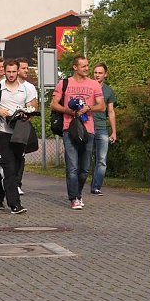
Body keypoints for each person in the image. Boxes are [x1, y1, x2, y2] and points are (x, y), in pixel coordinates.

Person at [0, 59, 37, 214]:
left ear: (18, 71)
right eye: (8, 71)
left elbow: (33, 107)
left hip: (19, 133)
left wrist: (26, 115)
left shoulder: (25, 89)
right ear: (4, 71)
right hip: (3, 133)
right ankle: (15, 204)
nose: (11, 75)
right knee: (8, 169)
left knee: (16, 169)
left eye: (14, 71)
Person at [50, 56, 105, 210]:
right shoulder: (64, 83)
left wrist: (88, 108)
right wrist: (67, 110)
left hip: (88, 129)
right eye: (83, 66)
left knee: (85, 168)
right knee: (72, 167)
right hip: (70, 128)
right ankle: (74, 198)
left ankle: (79, 193)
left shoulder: (94, 84)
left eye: (88, 66)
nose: (87, 69)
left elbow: (101, 106)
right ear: (75, 67)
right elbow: (54, 104)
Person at [89, 63, 117, 196]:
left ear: (105, 74)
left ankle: (96, 187)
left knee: (101, 160)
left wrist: (114, 131)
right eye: (95, 72)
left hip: (101, 128)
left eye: (100, 73)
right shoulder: (87, 87)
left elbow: (111, 112)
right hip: (87, 126)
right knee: (86, 158)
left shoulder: (108, 91)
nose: (97, 75)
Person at [13, 57, 38, 195]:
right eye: (23, 68)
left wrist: (28, 113)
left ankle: (17, 183)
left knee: (20, 155)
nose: (26, 71)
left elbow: (34, 106)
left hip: (22, 125)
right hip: (8, 124)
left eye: (27, 68)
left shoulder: (30, 87)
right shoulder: (9, 85)